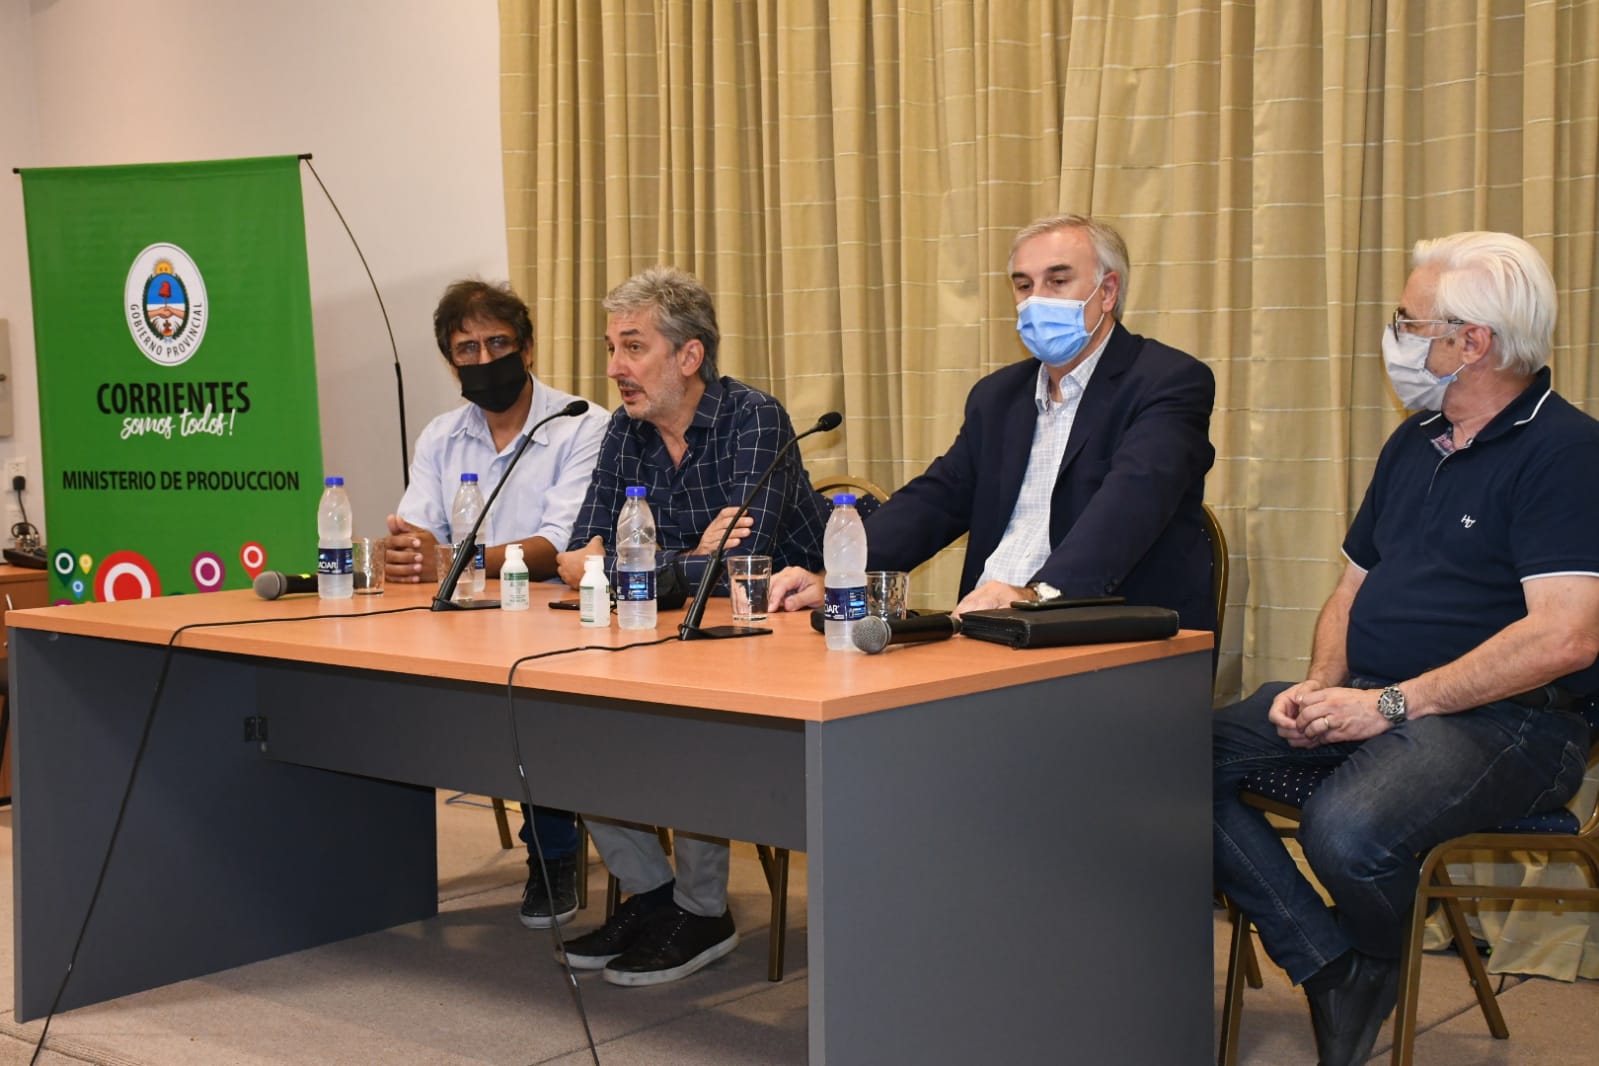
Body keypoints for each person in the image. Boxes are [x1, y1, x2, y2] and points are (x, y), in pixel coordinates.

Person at [1213, 232, 1599, 1066]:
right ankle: (1332, 965)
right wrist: (1321, 686)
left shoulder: (1566, 452)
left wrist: (1387, 704)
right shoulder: (1413, 440)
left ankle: (1365, 965)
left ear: (1472, 342)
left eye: (1406, 322)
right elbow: (1350, 589)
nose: (1393, 337)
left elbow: (1564, 635)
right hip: (1376, 697)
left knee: (1347, 831)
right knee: (1159, 762)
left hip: (1512, 725)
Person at [552, 265, 828, 987]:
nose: (614, 368)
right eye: (611, 348)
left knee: (691, 728)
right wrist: (680, 559)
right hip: (660, 632)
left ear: (688, 355)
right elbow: (579, 556)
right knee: (566, 715)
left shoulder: (753, 418)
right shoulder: (625, 430)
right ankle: (653, 895)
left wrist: (643, 564)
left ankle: (703, 910)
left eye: (633, 347)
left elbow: (739, 565)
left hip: (774, 642)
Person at [767, 212, 1216, 627]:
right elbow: (935, 501)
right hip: (988, 631)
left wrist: (1037, 596)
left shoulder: (1167, 382)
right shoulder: (999, 397)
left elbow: (1128, 512)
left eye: (1058, 281)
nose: (1035, 300)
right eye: (1023, 285)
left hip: (1109, 638)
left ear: (1107, 292)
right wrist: (836, 578)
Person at [385, 279, 608, 931]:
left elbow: (557, 546)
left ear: (528, 348)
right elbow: (421, 536)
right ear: (450, 361)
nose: (484, 359)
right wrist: (409, 552)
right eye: (467, 349)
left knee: (529, 701)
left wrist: (445, 559)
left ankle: (553, 856)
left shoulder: (581, 424)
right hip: (465, 620)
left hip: (561, 623)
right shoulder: (441, 436)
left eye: (498, 344)